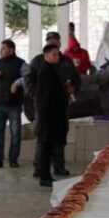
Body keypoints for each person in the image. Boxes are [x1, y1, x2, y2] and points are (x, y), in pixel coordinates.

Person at [25, 31, 80, 177]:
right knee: (43, 137)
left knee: (60, 136)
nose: (52, 43)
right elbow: (29, 81)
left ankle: (59, 166)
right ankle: (40, 168)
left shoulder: (66, 61)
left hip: (61, 107)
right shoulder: (38, 61)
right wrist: (37, 96)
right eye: (49, 41)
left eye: (55, 41)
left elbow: (76, 79)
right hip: (44, 108)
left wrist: (74, 87)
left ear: (60, 43)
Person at [35, 45, 70, 188]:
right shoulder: (45, 72)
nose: (57, 57)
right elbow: (49, 96)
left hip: (53, 115)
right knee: (46, 146)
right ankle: (44, 175)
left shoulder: (51, 70)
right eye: (54, 54)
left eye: (58, 54)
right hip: (49, 116)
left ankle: (46, 174)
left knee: (49, 145)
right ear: (47, 55)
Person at [0, 39, 26, 169]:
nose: (0, 51)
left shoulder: (21, 63)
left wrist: (17, 83)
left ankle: (13, 160)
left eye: (3, 48)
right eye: (1, 48)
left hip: (14, 104)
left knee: (15, 133)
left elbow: (28, 77)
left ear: (11, 50)